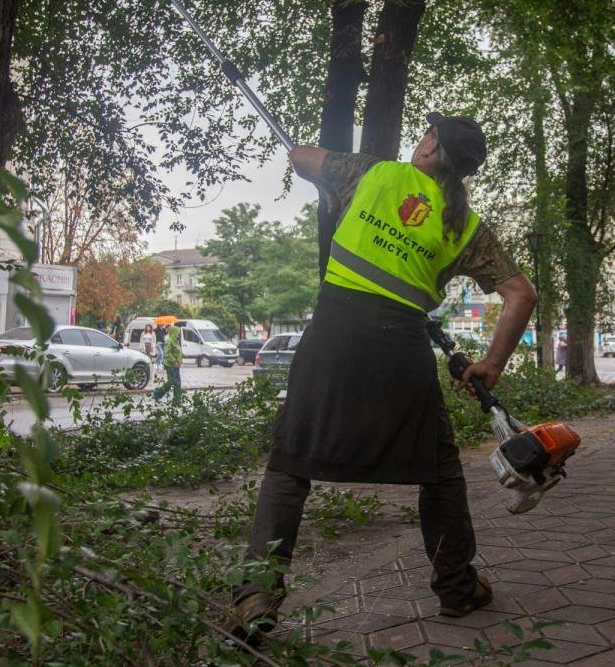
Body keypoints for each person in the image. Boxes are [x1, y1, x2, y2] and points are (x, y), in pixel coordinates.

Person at [231, 112, 537, 636]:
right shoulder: (465, 226)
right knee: (438, 471)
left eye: (428, 132)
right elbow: (521, 294)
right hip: (402, 349)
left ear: (429, 145)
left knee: (291, 461)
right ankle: (458, 589)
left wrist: (322, 176)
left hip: (332, 336)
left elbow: (302, 157)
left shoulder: (371, 174)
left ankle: (257, 594)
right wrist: (492, 365)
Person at [151, 323, 183, 403]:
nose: (178, 334)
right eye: (177, 333)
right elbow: (167, 353)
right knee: (171, 382)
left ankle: (177, 400)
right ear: (173, 332)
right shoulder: (169, 341)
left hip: (176, 365)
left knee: (177, 383)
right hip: (170, 365)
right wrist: (174, 361)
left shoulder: (176, 341)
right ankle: (157, 394)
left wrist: (180, 358)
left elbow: (176, 352)